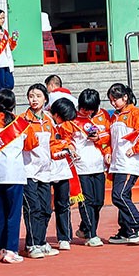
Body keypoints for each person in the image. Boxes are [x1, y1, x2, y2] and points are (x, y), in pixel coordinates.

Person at [106, 83, 139, 244]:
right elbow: (111, 140)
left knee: (119, 196)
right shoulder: (114, 117)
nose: (113, 103)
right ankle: (125, 230)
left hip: (129, 164)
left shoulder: (135, 113)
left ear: (125, 97)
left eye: (115, 99)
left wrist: (135, 149)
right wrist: (108, 153)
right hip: (117, 164)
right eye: (111, 100)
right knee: (124, 195)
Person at [0, 89, 27, 264]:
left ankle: (2, 247)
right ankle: (11, 250)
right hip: (14, 173)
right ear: (13, 104)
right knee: (13, 214)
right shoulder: (20, 123)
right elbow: (31, 143)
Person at [21, 83, 62, 259]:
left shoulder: (48, 121)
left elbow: (53, 144)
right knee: (33, 209)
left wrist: (64, 150)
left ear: (45, 98)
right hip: (28, 171)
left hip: (45, 172)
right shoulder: (23, 120)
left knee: (46, 209)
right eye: (31, 96)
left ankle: (40, 241)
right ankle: (32, 244)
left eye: (38, 96)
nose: (34, 99)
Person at [71, 89, 114, 247]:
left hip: (98, 165)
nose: (86, 111)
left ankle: (84, 228)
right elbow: (66, 138)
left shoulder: (103, 116)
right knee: (87, 201)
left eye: (90, 109)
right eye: (83, 108)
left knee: (98, 201)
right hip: (81, 167)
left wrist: (104, 147)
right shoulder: (73, 118)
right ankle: (91, 234)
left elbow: (109, 136)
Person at [45, 98, 81, 251]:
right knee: (45, 206)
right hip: (45, 169)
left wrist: (70, 148)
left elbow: (67, 139)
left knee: (63, 204)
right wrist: (64, 146)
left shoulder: (62, 124)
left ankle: (64, 237)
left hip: (61, 169)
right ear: (57, 114)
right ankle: (39, 238)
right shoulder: (44, 121)